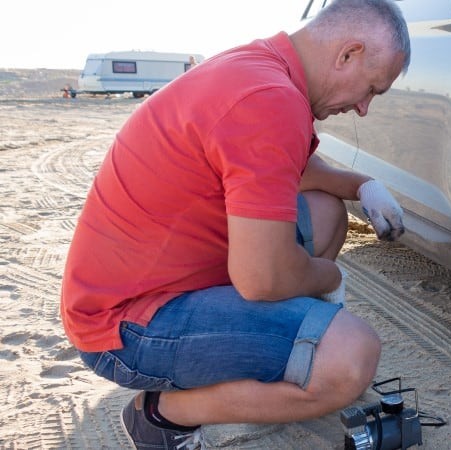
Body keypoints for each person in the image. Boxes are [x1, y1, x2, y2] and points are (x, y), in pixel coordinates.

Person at [59, 0, 410, 449]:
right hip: (125, 325)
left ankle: (271, 356)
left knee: (324, 211)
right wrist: (331, 276)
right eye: (371, 90)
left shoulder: (261, 66)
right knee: (350, 358)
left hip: (140, 283)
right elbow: (262, 277)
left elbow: (290, 168)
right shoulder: (270, 100)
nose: (363, 108)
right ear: (348, 54)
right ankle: (163, 415)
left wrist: (364, 186)